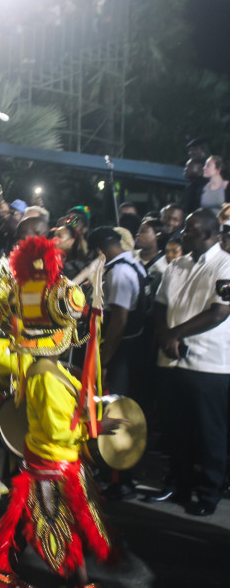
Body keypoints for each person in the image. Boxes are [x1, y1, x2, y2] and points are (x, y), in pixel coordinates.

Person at [0, 236, 118, 588]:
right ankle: (80, 583)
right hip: (53, 463)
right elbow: (60, 430)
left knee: (29, 519)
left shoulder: (45, 370)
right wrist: (98, 426)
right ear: (63, 334)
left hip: (44, 458)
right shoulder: (47, 375)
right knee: (61, 525)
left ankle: (0, 574)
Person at [148, 209, 230, 516]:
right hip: (172, 361)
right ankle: (179, 484)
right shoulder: (177, 264)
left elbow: (220, 311)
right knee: (176, 429)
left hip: (208, 363)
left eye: (191, 230)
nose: (183, 234)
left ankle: (208, 493)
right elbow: (160, 304)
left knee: (210, 432)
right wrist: (165, 335)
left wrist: (175, 334)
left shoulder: (226, 265)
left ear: (210, 235)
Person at [87, 227, 146, 500]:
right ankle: (115, 474)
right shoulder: (131, 263)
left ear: (100, 250)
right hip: (127, 351)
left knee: (115, 410)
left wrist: (106, 359)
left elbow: (119, 321)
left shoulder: (120, 273)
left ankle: (121, 478)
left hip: (121, 353)